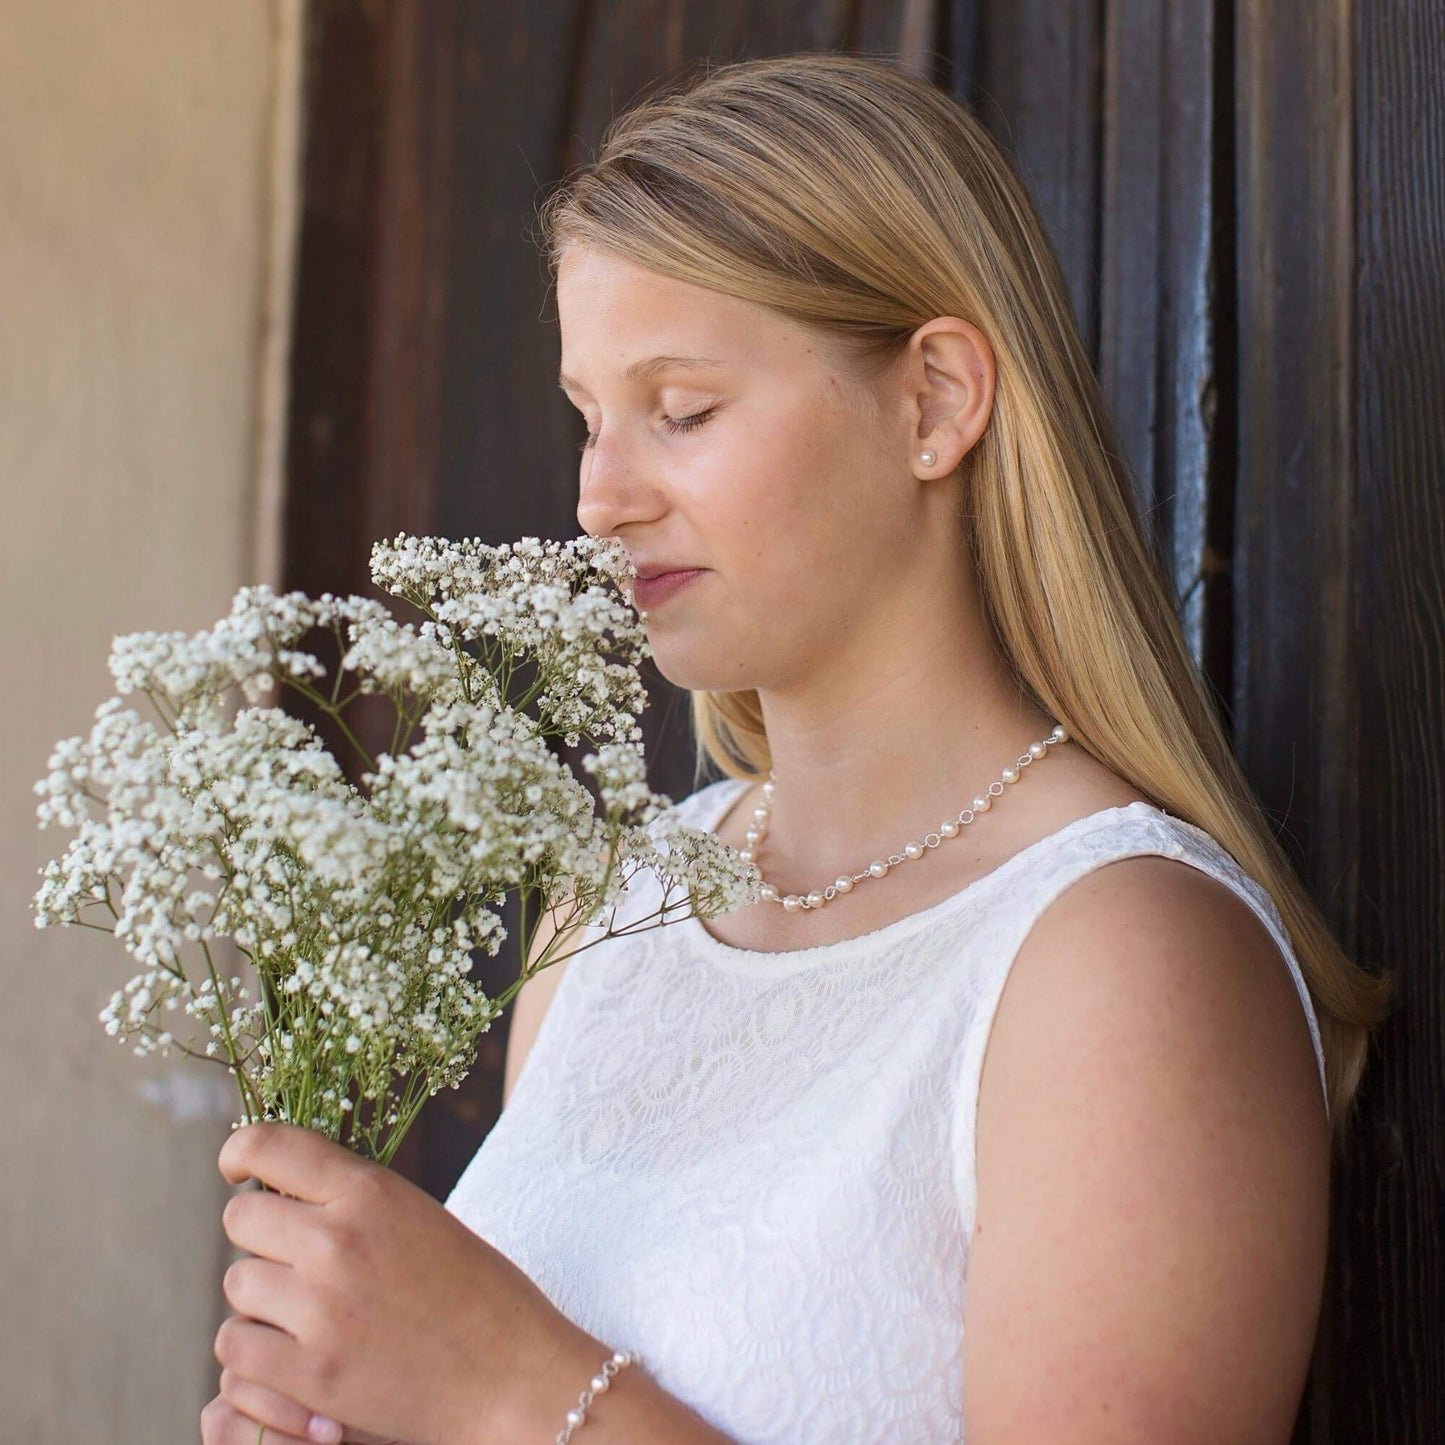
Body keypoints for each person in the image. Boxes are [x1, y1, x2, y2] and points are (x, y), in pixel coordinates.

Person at [205, 50, 1393, 1445]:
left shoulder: (1123, 962)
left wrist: (506, 1385)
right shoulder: (614, 907)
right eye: (588, 416)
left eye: (682, 409)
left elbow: (508, 1400)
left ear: (934, 401)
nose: (598, 496)